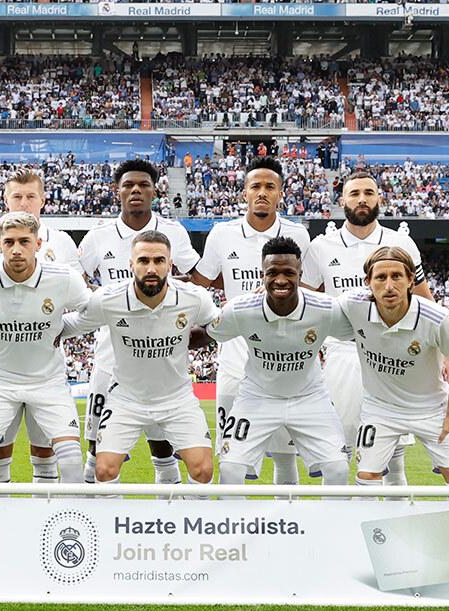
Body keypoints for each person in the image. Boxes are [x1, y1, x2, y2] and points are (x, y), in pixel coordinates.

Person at [302, 171, 434, 488]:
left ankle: (392, 526)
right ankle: (336, 529)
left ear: (379, 198)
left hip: (391, 357)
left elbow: (425, 302)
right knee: (337, 452)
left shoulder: (401, 243)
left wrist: (435, 353)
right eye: (355, 193)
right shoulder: (321, 246)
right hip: (342, 354)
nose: (362, 199)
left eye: (369, 193)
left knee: (393, 455)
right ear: (342, 200)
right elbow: (303, 301)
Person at [76, 159, 200, 484]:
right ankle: (102, 519)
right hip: (109, 356)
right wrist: (100, 297)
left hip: (161, 358)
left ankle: (165, 523)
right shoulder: (98, 236)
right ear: (117, 191)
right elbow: (77, 282)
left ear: (154, 191)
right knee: (96, 449)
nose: (135, 190)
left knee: (164, 449)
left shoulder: (173, 232)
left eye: (143, 185)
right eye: (128, 185)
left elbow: (192, 278)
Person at [62, 230, 218, 487]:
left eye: (159, 261)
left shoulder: (193, 297)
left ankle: (185, 522)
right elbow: (74, 324)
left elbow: (220, 325)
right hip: (126, 399)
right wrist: (40, 323)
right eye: (144, 260)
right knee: (104, 470)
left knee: (203, 471)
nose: (151, 267)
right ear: (131, 264)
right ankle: (116, 524)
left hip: (176, 399)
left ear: (170, 264)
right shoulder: (109, 299)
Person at [191, 156, 312, 484]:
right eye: (255, 186)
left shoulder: (298, 235)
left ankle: (285, 526)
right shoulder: (222, 234)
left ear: (280, 193)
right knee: (232, 455)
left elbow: (313, 288)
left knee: (285, 455)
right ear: (244, 193)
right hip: (235, 353)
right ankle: (236, 528)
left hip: (284, 352)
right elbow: (203, 281)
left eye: (270, 186)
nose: (262, 192)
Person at [0, 212, 91, 484]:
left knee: (72, 460)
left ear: (38, 244)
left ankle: (63, 523)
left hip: (48, 383)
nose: (16, 249)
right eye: (9, 242)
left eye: (24, 242)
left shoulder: (64, 278)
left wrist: (63, 328)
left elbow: (92, 312)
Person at [208, 236, 353, 486]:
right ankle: (232, 524)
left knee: (338, 469)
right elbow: (207, 332)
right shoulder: (241, 308)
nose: (281, 280)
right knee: (230, 470)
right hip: (256, 397)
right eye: (272, 272)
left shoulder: (325, 308)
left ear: (300, 273)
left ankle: (329, 522)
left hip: (310, 397)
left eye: (289, 272)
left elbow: (360, 329)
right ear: (262, 274)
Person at [338, 247, 449, 492]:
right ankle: (368, 529)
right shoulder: (352, 305)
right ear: (368, 281)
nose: (389, 285)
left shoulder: (437, 318)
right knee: (367, 477)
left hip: (432, 408)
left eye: (397, 276)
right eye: (381, 277)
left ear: (411, 280)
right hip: (380, 408)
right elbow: (314, 310)